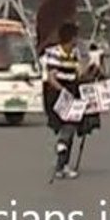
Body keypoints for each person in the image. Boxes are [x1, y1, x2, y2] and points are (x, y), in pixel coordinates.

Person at [41, 22, 93, 179]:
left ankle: (61, 163)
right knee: (67, 126)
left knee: (69, 127)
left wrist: (89, 67)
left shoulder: (75, 53)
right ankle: (61, 155)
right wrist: (63, 92)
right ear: (71, 38)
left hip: (71, 90)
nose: (78, 40)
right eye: (76, 37)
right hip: (56, 93)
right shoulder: (53, 53)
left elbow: (78, 74)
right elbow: (51, 78)